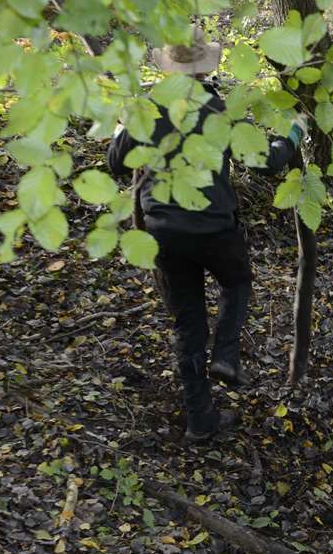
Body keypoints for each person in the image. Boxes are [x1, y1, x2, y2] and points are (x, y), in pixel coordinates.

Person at [108, 29, 303, 442]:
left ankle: (200, 419)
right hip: (214, 226)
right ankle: (227, 356)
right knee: (237, 282)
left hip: (163, 231)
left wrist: (120, 127)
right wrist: (291, 137)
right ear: (202, 69)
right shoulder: (219, 108)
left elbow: (115, 162)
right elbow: (263, 162)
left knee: (188, 324)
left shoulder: (147, 108)